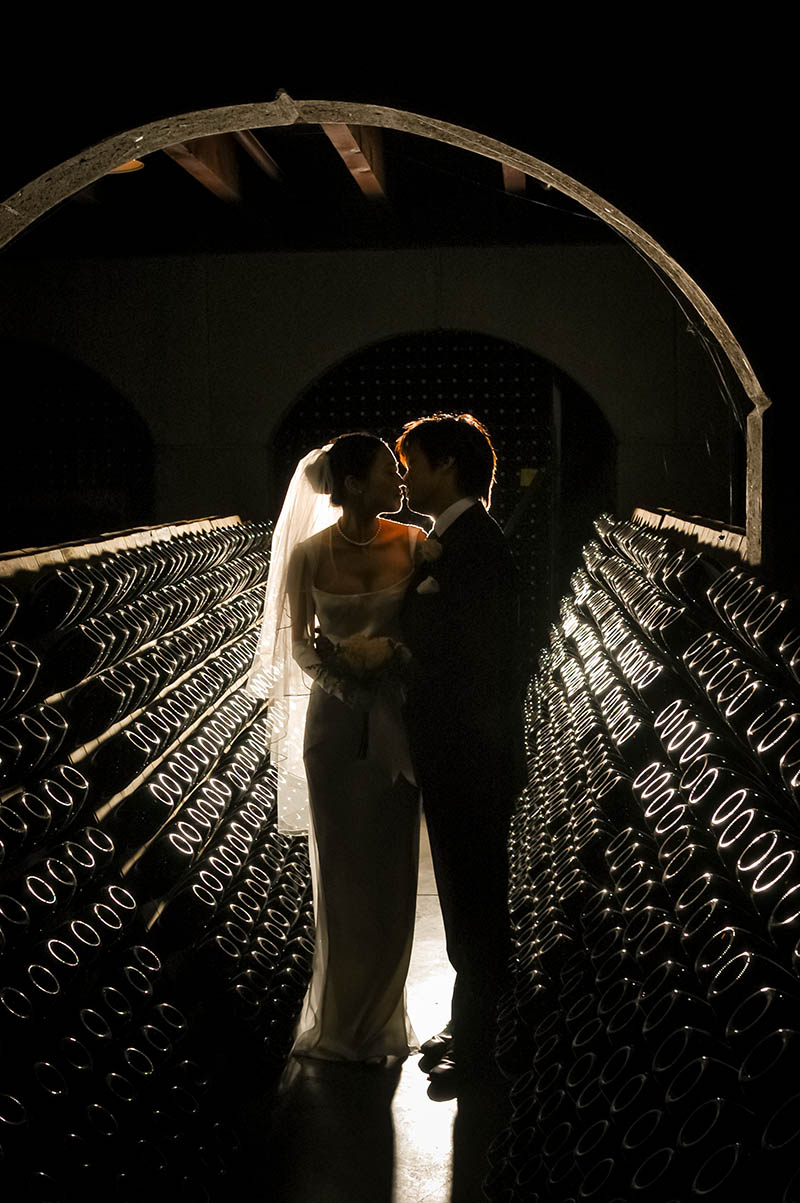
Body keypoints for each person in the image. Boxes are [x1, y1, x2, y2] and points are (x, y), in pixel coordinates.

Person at [247, 433, 424, 1062]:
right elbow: (296, 643)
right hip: (332, 728)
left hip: (395, 722)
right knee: (344, 877)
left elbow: (436, 628)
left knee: (394, 870)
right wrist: (342, 681)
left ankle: (384, 1020)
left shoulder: (416, 544)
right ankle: (343, 1025)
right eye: (387, 471)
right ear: (352, 483)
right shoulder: (307, 554)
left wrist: (396, 663)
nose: (399, 481)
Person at [397, 413, 527, 1094]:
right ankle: (467, 1019)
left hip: (471, 757)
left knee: (477, 905)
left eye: (412, 460)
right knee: (463, 899)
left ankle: (480, 1048)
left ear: (446, 465)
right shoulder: (458, 539)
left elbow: (480, 666)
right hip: (461, 756)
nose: (404, 474)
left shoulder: (475, 546)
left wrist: (398, 660)